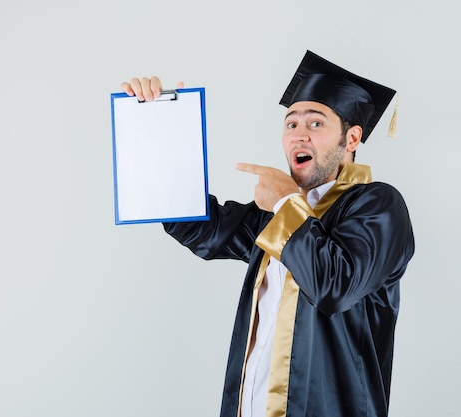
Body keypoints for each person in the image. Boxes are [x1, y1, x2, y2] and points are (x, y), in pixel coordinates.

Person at [120, 50, 415, 417]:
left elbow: (333, 285)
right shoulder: (274, 217)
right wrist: (157, 128)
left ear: (352, 138)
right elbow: (196, 225)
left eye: (316, 123)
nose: (298, 135)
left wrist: (286, 202)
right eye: (291, 124)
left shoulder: (378, 206)